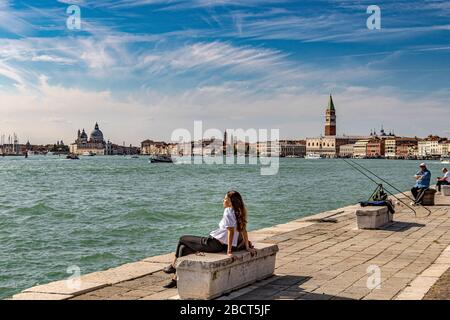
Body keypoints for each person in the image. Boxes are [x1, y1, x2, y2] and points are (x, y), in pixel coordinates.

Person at [162, 190, 256, 289]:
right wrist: (247, 247)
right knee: (183, 248)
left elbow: (231, 231)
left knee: (182, 239)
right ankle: (175, 279)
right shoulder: (239, 212)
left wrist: (229, 251)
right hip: (218, 244)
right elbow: (244, 231)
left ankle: (173, 266)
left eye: (225, 199)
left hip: (213, 243)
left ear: (230, 201)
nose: (223, 200)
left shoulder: (228, 211)